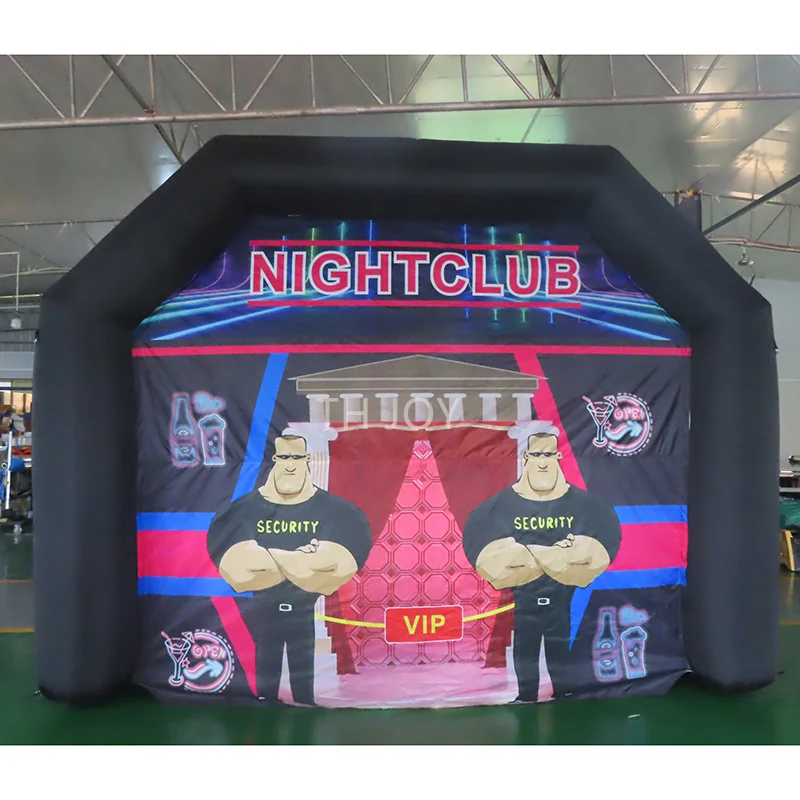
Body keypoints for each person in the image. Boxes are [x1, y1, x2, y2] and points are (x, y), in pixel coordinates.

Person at [207, 433, 372, 707]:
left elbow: (338, 567)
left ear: (307, 460)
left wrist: (267, 555)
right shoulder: (244, 510)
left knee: (303, 677)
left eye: (297, 457)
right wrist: (302, 560)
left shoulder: (337, 511)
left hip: (304, 610)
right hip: (264, 610)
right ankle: (266, 703)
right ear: (275, 459)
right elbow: (237, 570)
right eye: (285, 457)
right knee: (266, 673)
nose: (291, 464)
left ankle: (304, 703)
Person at [462, 421, 621, 702]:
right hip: (524, 602)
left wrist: (527, 552)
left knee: (560, 646)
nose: (543, 462)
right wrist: (556, 555)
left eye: (549, 454)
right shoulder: (497, 508)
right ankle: (526, 695)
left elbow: (596, 555)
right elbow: (490, 561)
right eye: (537, 455)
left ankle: (564, 692)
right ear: (526, 457)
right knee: (525, 646)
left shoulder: (587, 507)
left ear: (558, 456)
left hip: (562, 602)